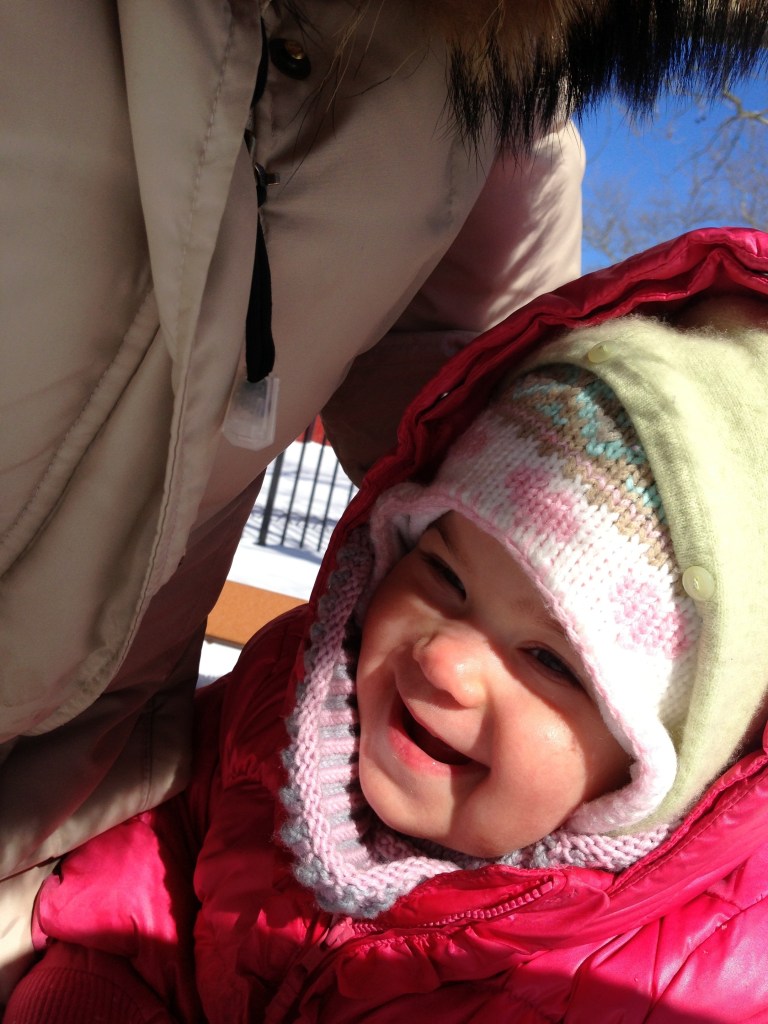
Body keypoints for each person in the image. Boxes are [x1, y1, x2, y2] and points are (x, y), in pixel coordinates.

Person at [2, 0, 766, 1001]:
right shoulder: (273, 734)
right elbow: (148, 892)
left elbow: (459, 364)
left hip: (50, 774)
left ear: (652, 771)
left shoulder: (654, 983)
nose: (445, 656)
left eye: (552, 658)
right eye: (440, 573)